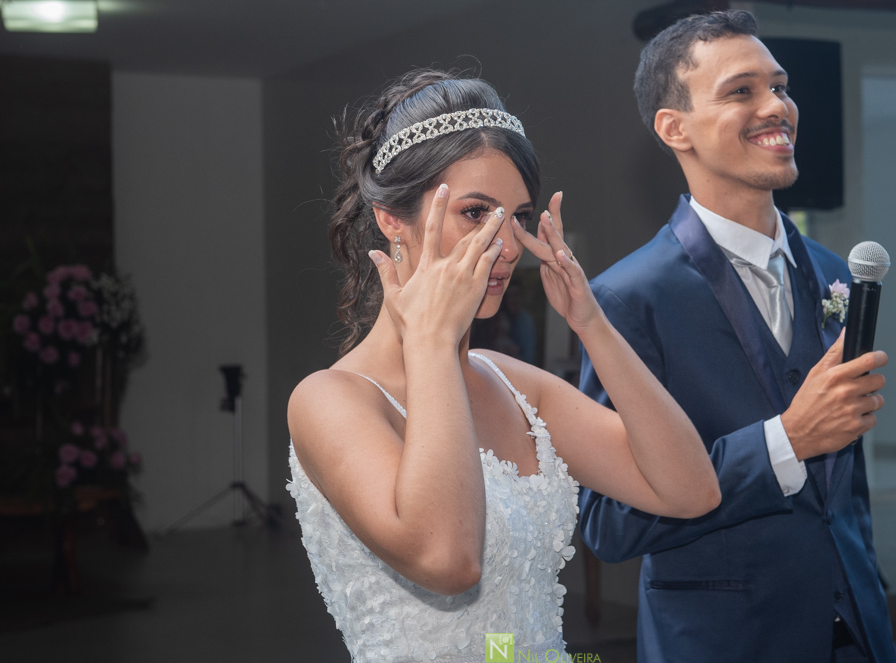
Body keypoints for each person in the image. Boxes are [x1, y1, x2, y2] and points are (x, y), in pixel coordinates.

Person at [286, 69, 720, 663]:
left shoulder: (514, 384)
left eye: (517, 215)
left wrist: (591, 323)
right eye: (475, 213)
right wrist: (431, 342)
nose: (509, 247)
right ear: (391, 219)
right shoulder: (331, 399)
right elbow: (448, 561)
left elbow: (691, 491)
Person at [578, 10, 896, 663]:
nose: (776, 106)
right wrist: (785, 442)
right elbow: (608, 523)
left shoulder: (837, 275)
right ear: (675, 128)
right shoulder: (626, 299)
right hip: (723, 641)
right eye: (741, 91)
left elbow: (845, 484)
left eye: (779, 86)